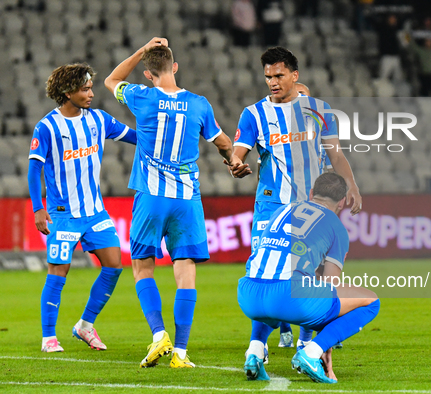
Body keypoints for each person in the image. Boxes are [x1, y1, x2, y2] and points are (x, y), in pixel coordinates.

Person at [104, 37, 249, 368]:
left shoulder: (141, 96)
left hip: (151, 197)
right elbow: (223, 141)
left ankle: (159, 336)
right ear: (175, 67)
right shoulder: (199, 104)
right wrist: (232, 161)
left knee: (142, 266)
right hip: (186, 199)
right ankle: (181, 353)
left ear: (147, 73)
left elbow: (111, 80)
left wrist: (141, 49)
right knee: (186, 270)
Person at [230, 46, 361, 366]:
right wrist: (235, 163)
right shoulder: (254, 114)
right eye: (267, 77)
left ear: (294, 76)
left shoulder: (318, 110)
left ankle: (304, 340)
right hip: (272, 206)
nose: (272, 82)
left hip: (310, 207)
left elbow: (336, 154)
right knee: (264, 271)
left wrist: (352, 185)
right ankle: (257, 346)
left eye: (278, 75)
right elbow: (239, 151)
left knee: (311, 273)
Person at [28, 63, 137, 353]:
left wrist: (162, 137)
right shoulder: (47, 126)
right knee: (58, 271)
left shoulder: (99, 120)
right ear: (67, 92)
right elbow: (33, 169)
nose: (91, 93)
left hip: (95, 212)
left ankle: (85, 325)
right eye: (84, 88)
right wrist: (38, 209)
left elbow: (135, 137)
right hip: (64, 216)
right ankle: (48, 336)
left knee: (114, 265)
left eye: (90, 87)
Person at [237, 173, 380, 383]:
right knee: (371, 301)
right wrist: (326, 340)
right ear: (342, 202)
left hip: (248, 294)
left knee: (274, 284)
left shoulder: (281, 209)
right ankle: (311, 353)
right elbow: (329, 285)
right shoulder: (336, 226)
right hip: (289, 297)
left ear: (312, 193)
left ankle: (255, 351)